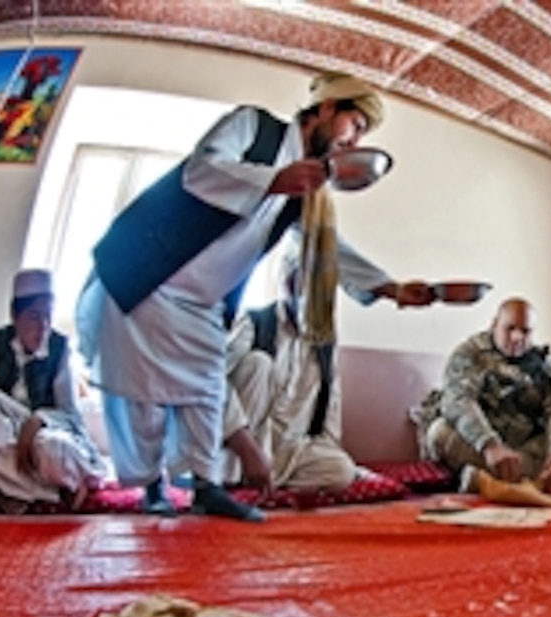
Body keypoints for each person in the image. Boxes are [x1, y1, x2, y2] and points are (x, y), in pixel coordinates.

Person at [75, 71, 431, 521]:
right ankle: (149, 487)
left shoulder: (307, 193)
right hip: (146, 277)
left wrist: (391, 287)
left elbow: (328, 249)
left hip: (203, 304)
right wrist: (271, 179)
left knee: (206, 390)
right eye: (355, 125)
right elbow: (201, 170)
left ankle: (207, 488)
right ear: (326, 108)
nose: (354, 140)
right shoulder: (255, 129)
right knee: (139, 396)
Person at [222, 247, 423, 493]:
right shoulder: (255, 322)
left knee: (340, 471)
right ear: (288, 284)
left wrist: (338, 458)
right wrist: (247, 448)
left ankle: (260, 479)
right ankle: (245, 470)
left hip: (291, 450)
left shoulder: (324, 339)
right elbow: (212, 381)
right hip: (243, 443)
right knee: (258, 363)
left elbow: (330, 406)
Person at [423, 297, 551, 505]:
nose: (517, 337)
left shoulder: (546, 366)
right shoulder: (470, 354)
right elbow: (458, 402)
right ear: (494, 324)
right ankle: (529, 478)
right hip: (482, 448)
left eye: (525, 331)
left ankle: (486, 480)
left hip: (525, 447)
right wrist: (489, 445)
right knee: (438, 433)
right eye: (509, 328)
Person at [0, 270, 107, 512]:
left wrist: (39, 420)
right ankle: (45, 493)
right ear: (15, 317)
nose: (43, 328)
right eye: (34, 318)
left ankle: (14, 489)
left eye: (48, 317)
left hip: (45, 432)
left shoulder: (59, 349)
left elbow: (70, 414)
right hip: (5, 429)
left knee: (53, 450)